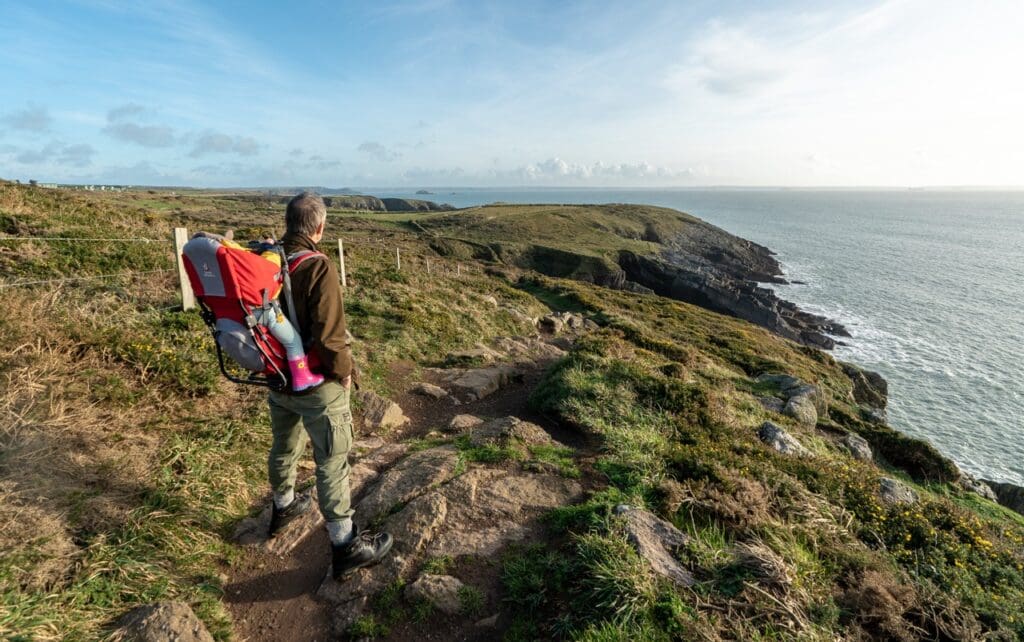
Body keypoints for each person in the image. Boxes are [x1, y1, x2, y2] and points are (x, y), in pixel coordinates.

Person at [265, 192, 393, 580]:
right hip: (317, 381)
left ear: (289, 223)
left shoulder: (267, 260)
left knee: (284, 444)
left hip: (277, 378)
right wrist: (344, 373)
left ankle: (283, 506)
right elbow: (330, 336)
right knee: (332, 460)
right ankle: (345, 544)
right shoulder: (317, 266)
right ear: (319, 227)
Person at [192, 231, 325, 392]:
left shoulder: (213, 263)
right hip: (259, 312)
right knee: (293, 341)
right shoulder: (232, 254)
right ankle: (302, 378)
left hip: (226, 313)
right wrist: (271, 250)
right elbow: (265, 271)